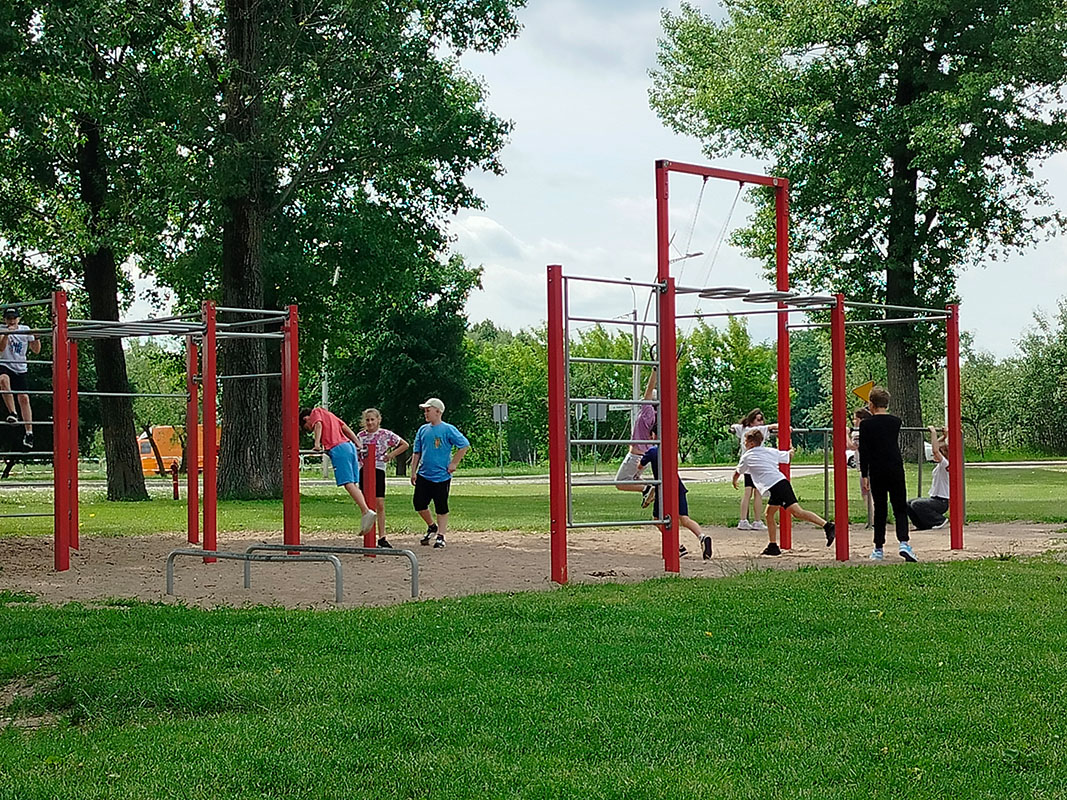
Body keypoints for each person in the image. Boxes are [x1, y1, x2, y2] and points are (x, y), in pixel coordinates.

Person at [732, 428, 835, 556]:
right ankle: (773, 545)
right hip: (779, 483)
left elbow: (738, 471)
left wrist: (734, 480)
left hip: (777, 486)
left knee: (798, 512)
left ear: (751, 444)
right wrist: (791, 447)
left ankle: (827, 526)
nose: (744, 444)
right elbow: (788, 456)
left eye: (745, 442)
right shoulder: (769, 451)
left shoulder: (747, 456)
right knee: (769, 514)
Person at [859, 387, 916, 562]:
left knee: (880, 508)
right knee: (900, 506)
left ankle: (878, 547)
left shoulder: (865, 425)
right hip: (895, 467)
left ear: (871, 404)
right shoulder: (895, 422)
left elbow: (864, 451)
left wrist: (864, 474)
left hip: (877, 469)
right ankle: (904, 542)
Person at [299, 406, 377, 535]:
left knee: (348, 483)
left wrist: (317, 444)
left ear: (306, 418)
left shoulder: (316, 412)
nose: (309, 430)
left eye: (307, 428)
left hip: (338, 448)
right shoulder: (330, 415)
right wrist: (357, 443)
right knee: (353, 484)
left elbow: (318, 425)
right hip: (349, 446)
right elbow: (345, 427)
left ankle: (366, 511)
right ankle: (365, 512)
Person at [640, 434, 713, 560]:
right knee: (684, 518)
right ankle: (702, 537)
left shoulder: (652, 451)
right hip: (677, 486)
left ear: (654, 436)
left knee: (657, 519)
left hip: (663, 488)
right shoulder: (671, 449)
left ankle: (677, 547)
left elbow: (639, 466)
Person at [410, 397, 470, 549]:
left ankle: (441, 536)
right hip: (424, 474)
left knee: (441, 506)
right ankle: (432, 526)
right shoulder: (423, 430)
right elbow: (417, 452)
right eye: (425, 411)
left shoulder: (448, 429)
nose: (425, 413)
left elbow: (464, 445)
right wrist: (413, 471)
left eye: (428, 410)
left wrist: (454, 463)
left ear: (438, 412)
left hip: (442, 476)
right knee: (419, 504)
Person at [354, 408, 409, 549]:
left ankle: (382, 536)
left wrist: (390, 455)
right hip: (364, 469)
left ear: (378, 420)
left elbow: (404, 444)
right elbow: (355, 452)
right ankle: (368, 534)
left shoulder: (385, 434)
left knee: (379, 502)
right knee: (366, 502)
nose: (370, 422)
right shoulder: (360, 436)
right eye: (367, 420)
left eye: (372, 419)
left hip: (378, 468)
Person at [729, 408, 777, 531]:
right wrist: (786, 428)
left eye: (762, 420)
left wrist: (733, 428)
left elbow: (734, 427)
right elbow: (772, 426)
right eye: (758, 420)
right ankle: (756, 521)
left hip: (747, 466)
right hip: (756, 466)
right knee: (756, 494)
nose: (761, 422)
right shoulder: (759, 430)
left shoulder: (743, 429)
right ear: (751, 421)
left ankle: (744, 520)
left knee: (749, 493)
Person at [0, 307, 41, 449]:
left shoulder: (25, 329)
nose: (11, 321)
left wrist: (36, 337)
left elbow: (36, 350)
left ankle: (29, 433)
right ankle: (13, 412)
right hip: (5, 364)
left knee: (24, 398)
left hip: (20, 367)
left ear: (18, 319)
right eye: (9, 318)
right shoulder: (1, 329)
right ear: (5, 320)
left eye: (14, 318)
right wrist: (6, 334)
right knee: (3, 380)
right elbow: (1, 348)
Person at [614, 366, 657, 503]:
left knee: (620, 482)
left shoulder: (647, 412)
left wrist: (654, 371)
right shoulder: (656, 416)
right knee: (634, 479)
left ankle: (648, 488)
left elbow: (649, 389)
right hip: (644, 456)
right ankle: (651, 489)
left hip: (635, 456)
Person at [907, 425, 950, 530]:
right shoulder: (941, 465)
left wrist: (933, 433)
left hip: (942, 502)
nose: (933, 455)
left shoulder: (946, 464)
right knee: (908, 504)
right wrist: (944, 436)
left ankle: (939, 520)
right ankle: (922, 525)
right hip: (935, 498)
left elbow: (935, 450)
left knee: (917, 504)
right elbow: (936, 447)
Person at [849, 407, 875, 527]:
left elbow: (852, 446)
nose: (854, 421)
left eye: (856, 419)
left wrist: (845, 434)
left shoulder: (858, 433)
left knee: (866, 493)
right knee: (871, 493)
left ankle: (872, 519)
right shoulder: (872, 430)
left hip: (865, 466)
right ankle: (875, 518)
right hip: (872, 464)